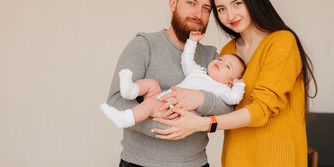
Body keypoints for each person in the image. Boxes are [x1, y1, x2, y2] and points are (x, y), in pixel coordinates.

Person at [152, 0, 318, 167]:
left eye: (237, 3)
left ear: (253, 0)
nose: (230, 15)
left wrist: (202, 123)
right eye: (221, 9)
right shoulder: (228, 52)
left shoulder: (282, 43)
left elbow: (260, 111)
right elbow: (223, 104)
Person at [105, 0, 234, 167]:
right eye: (191, 3)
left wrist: (200, 100)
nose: (198, 14)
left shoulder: (214, 58)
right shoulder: (144, 45)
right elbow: (116, 101)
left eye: (206, 8)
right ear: (173, 4)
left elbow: (229, 108)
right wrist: (166, 127)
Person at [101, 31, 245, 128]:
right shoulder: (199, 72)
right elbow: (186, 61)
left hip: (172, 113)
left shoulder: (222, 89)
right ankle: (130, 90)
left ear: (229, 82)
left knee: (150, 104)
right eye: (220, 59)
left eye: (227, 66)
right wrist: (192, 42)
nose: (220, 62)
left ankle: (124, 119)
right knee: (152, 84)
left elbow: (233, 99)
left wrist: (238, 87)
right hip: (163, 99)